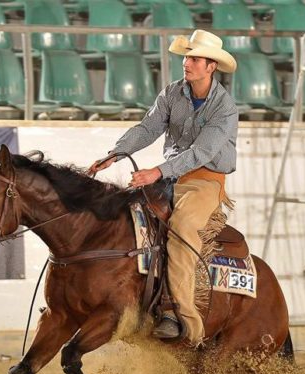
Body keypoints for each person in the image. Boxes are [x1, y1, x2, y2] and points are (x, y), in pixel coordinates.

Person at [87, 29, 238, 346]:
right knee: (126, 219)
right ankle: (133, 302)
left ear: (211, 66)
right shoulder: (172, 93)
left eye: (195, 58)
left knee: (182, 229)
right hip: (170, 177)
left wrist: (156, 171)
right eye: (187, 56)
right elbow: (148, 129)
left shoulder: (224, 108)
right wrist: (115, 155)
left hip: (204, 180)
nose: (187, 63)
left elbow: (202, 153)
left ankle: (185, 320)